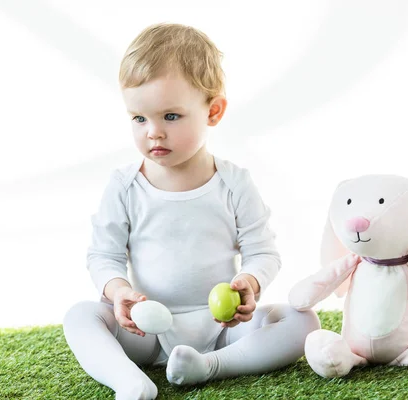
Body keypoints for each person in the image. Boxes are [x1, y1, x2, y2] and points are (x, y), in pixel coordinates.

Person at [62, 23, 320, 400]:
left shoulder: (234, 183)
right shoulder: (125, 185)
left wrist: (250, 281)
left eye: (170, 116)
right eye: (139, 118)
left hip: (222, 328)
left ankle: (210, 366)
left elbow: (262, 250)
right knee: (81, 316)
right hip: (145, 330)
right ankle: (128, 381)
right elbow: (104, 255)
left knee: (302, 321)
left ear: (213, 111)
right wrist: (119, 292)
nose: (153, 132)